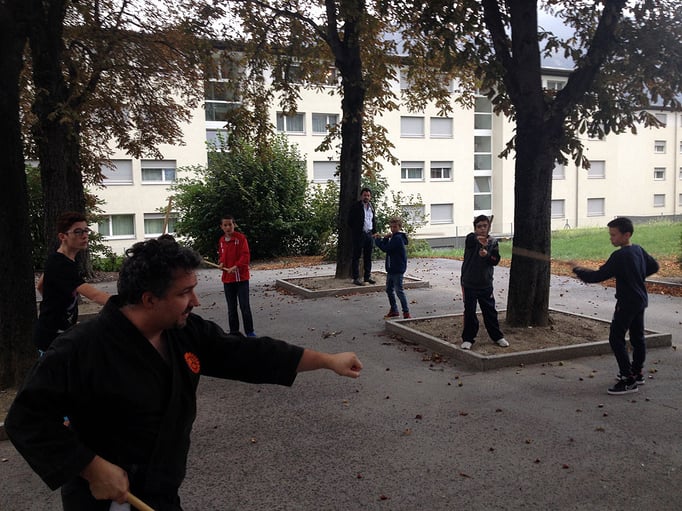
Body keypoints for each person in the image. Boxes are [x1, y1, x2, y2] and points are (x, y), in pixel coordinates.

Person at [5, 235, 363, 510]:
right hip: (105, 498)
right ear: (149, 299)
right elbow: (27, 418)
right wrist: (90, 467)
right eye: (185, 293)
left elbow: (248, 353)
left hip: (160, 492)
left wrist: (326, 360)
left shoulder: (184, 332)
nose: (196, 301)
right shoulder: (80, 348)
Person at [571, 217, 659, 395]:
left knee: (616, 338)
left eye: (614, 235)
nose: (611, 238)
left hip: (627, 303)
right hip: (640, 300)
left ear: (626, 235)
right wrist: (635, 275)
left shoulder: (619, 256)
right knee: (637, 337)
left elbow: (596, 277)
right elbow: (654, 266)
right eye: (610, 234)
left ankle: (628, 379)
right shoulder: (638, 250)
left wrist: (577, 269)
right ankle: (637, 373)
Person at [33, 211, 110, 353]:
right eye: (78, 232)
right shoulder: (61, 265)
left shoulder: (58, 258)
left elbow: (40, 285)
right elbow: (95, 295)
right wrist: (126, 304)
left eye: (86, 230)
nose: (84, 235)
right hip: (52, 338)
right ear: (63, 237)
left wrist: (54, 303)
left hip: (59, 332)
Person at [460, 215, 508, 350]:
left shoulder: (493, 242)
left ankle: (497, 336)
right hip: (469, 283)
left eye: (485, 226)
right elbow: (473, 240)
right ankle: (468, 338)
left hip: (485, 283)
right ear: (475, 228)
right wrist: (481, 241)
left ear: (489, 227)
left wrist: (487, 255)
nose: (482, 229)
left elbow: (495, 260)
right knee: (469, 312)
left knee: (490, 311)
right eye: (479, 226)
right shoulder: (471, 238)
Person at [218, 215, 255, 336]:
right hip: (227, 279)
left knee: (245, 307)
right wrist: (221, 263)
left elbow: (245, 256)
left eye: (230, 224)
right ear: (221, 227)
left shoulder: (241, 238)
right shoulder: (222, 240)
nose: (228, 227)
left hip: (241, 279)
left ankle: (250, 332)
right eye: (225, 225)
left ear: (234, 225)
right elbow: (222, 255)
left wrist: (236, 266)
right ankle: (234, 334)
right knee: (231, 308)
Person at [375, 216, 411, 319]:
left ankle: (406, 313)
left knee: (399, 291)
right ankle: (394, 310)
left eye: (395, 227)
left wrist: (378, 240)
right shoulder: (394, 237)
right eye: (391, 227)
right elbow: (388, 248)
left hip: (397, 269)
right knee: (389, 290)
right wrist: (385, 239)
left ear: (399, 227)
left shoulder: (398, 239)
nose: (392, 229)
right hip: (391, 268)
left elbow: (386, 249)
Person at [347, 187, 377, 286]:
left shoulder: (372, 207)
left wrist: (374, 232)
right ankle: (356, 278)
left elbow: (373, 220)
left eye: (368, 195)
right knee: (356, 256)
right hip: (359, 235)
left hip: (369, 234)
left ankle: (367, 277)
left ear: (370, 197)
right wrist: (356, 230)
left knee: (368, 257)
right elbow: (350, 221)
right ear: (361, 196)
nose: (366, 197)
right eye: (365, 195)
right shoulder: (356, 206)